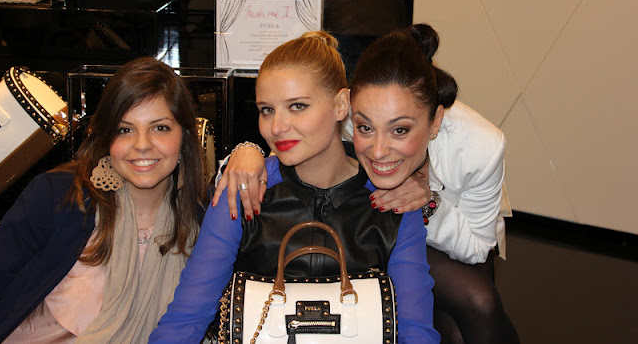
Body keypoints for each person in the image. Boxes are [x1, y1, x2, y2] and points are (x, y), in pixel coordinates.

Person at [216, 24, 520, 344]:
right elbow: (287, 149)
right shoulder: (348, 118)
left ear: (435, 122)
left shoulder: (481, 147)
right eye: (366, 128)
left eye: (399, 130)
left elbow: (477, 248)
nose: (378, 151)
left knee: (479, 301)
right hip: (374, 231)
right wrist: (246, 151)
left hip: (456, 242)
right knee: (450, 330)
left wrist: (428, 203)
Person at [150, 31, 439, 343]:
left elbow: (415, 330)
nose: (276, 127)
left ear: (341, 104)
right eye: (267, 109)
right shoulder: (243, 192)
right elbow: (187, 318)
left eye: (297, 106)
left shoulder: (395, 202)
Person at [0, 57, 208, 343]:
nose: (142, 144)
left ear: (184, 135)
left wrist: (249, 153)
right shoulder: (56, 196)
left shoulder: (207, 215)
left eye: (159, 128)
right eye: (125, 129)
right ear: (108, 137)